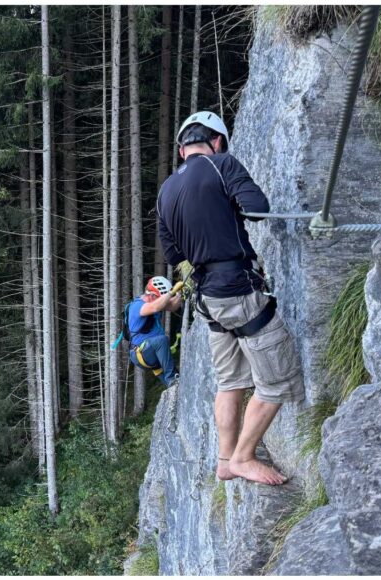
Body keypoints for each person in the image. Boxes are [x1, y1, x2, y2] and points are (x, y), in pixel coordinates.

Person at [156, 111, 305, 486]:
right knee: (277, 380)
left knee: (230, 382)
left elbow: (174, 255)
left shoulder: (165, 191)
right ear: (218, 142)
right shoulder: (221, 164)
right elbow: (257, 208)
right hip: (238, 291)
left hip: (207, 299)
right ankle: (243, 456)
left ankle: (224, 460)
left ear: (180, 150)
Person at [127, 276, 182, 388]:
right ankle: (172, 379)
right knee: (162, 340)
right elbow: (155, 307)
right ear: (152, 296)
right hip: (142, 352)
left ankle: (174, 387)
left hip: (150, 352)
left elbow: (172, 306)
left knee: (178, 387)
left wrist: (180, 295)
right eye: (159, 297)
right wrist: (171, 293)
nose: (161, 300)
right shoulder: (137, 306)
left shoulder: (153, 302)